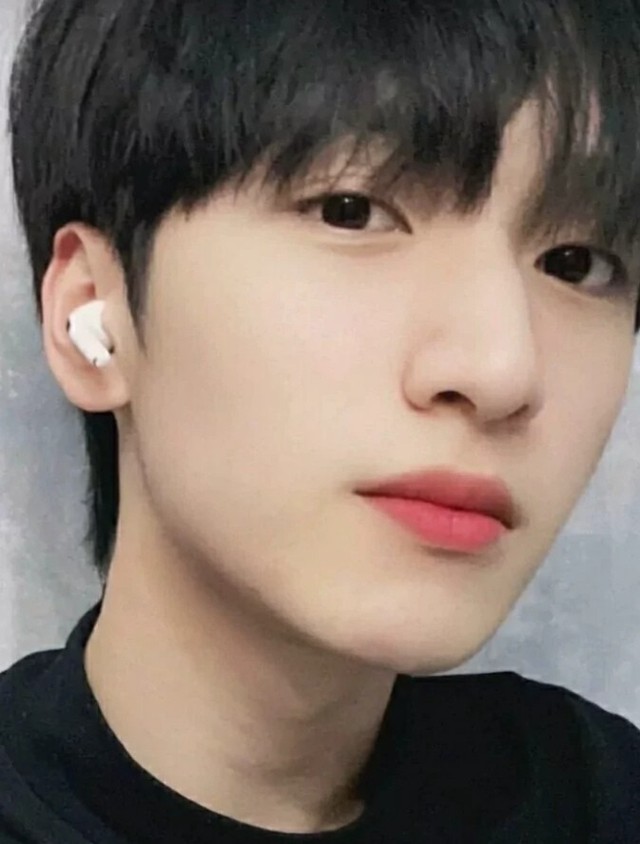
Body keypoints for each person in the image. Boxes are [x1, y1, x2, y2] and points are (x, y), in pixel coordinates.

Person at [2, 0, 640, 840]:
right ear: (93, 317)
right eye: (352, 210)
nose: (502, 369)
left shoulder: (601, 794)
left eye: (576, 264)